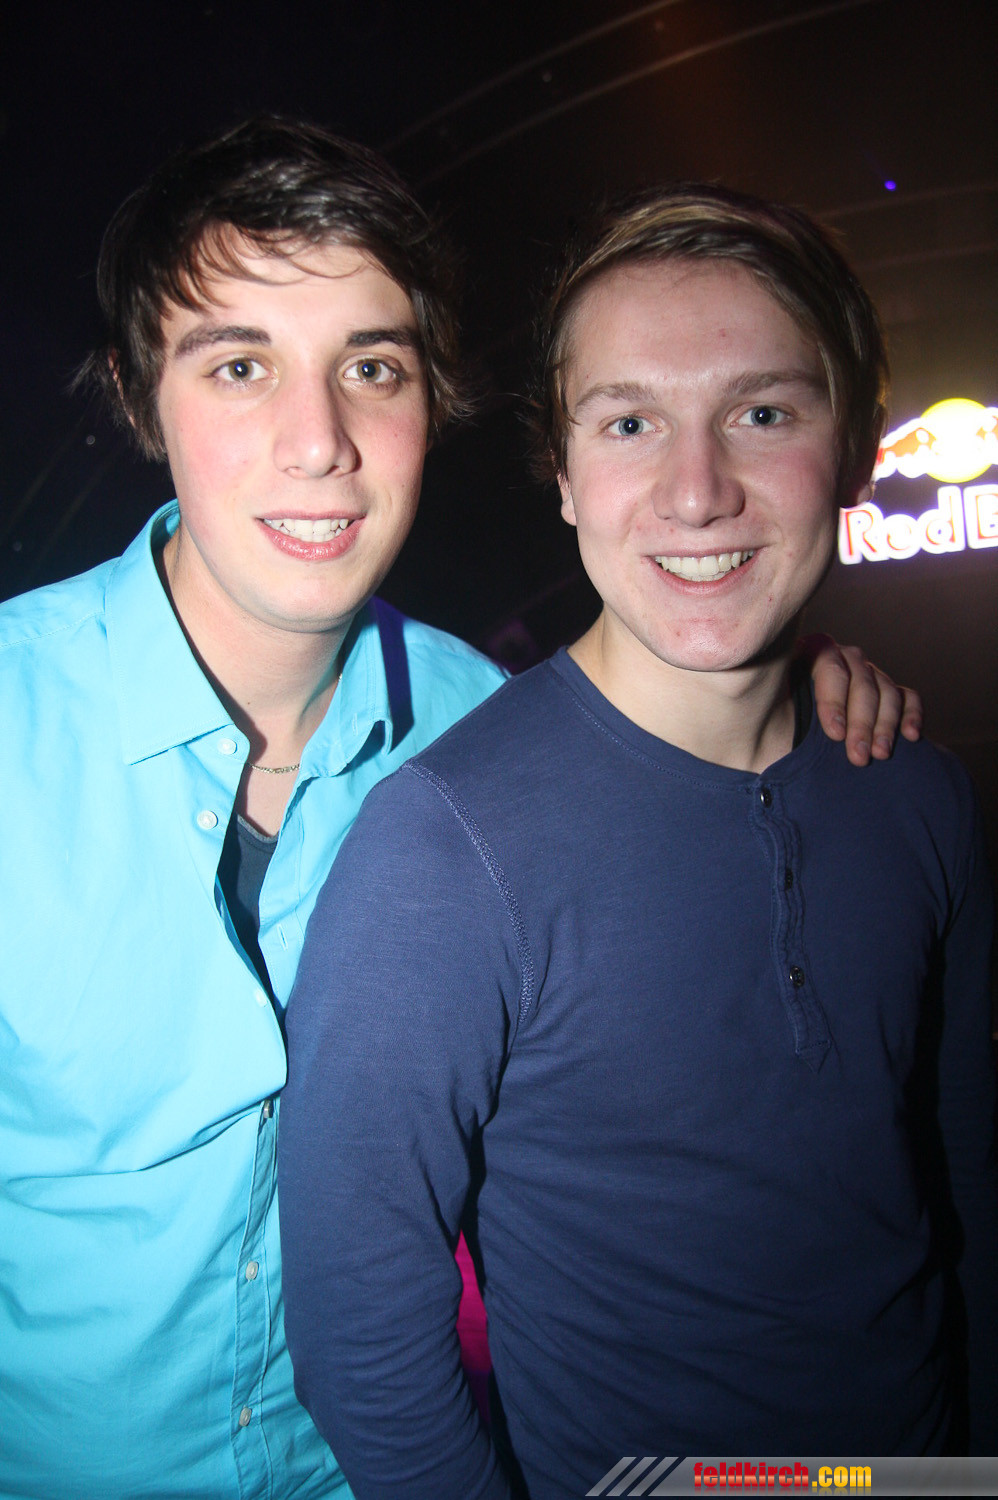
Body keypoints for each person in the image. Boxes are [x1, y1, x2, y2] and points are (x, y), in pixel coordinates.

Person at [0, 119, 913, 1499]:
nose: (319, 443)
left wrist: (794, 675)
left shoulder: (483, 732)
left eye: (370, 368)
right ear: (141, 398)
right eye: (240, 366)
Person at [280, 183, 997, 1500]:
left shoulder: (920, 796)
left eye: (763, 414)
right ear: (562, 478)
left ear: (854, 450)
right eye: (628, 423)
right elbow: (361, 1334)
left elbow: (966, 1181)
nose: (697, 491)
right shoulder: (443, 850)